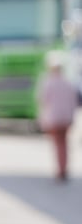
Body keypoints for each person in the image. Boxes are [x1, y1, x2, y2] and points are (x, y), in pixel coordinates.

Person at [38, 53, 79, 181]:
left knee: (58, 144)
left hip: (54, 118)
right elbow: (74, 102)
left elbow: (43, 101)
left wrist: (42, 118)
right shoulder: (68, 82)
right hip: (66, 118)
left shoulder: (48, 83)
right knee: (64, 144)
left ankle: (60, 169)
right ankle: (64, 168)